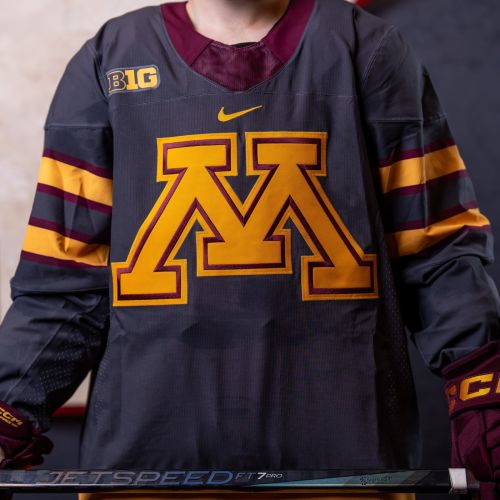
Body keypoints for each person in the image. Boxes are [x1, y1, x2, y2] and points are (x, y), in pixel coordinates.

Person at [0, 0, 499, 498]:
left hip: (346, 464)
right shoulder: (107, 61)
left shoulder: (369, 50)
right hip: (147, 469)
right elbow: (65, 283)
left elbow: (436, 253)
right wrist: (9, 405)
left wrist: (483, 388)